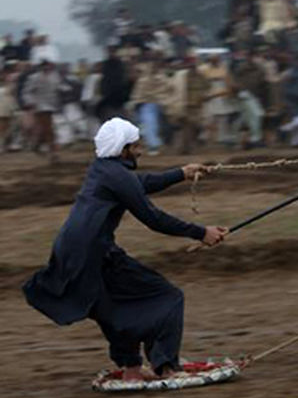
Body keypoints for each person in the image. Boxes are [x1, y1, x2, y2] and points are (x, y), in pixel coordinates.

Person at [22, 118, 227, 380]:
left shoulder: (102, 169)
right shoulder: (117, 175)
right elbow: (153, 218)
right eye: (137, 146)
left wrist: (181, 173)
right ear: (123, 149)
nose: (140, 151)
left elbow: (139, 183)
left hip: (74, 254)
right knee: (167, 296)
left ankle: (131, 369)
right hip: (95, 254)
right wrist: (201, 232)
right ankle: (166, 367)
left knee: (113, 308)